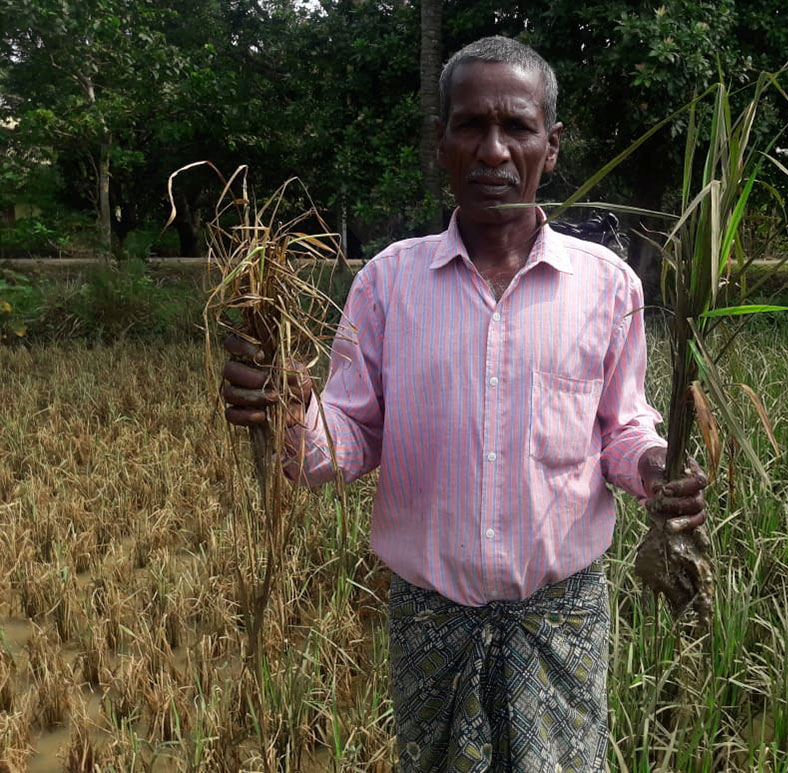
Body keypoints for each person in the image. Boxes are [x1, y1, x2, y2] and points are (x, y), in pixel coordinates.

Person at [221, 35, 708, 773]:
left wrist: (654, 463)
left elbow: (621, 427)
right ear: (441, 142)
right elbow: (349, 433)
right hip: (430, 624)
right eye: (470, 126)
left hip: (560, 618)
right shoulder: (388, 283)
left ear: (551, 144)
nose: (493, 150)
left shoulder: (608, 286)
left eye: (516, 127)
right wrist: (289, 412)